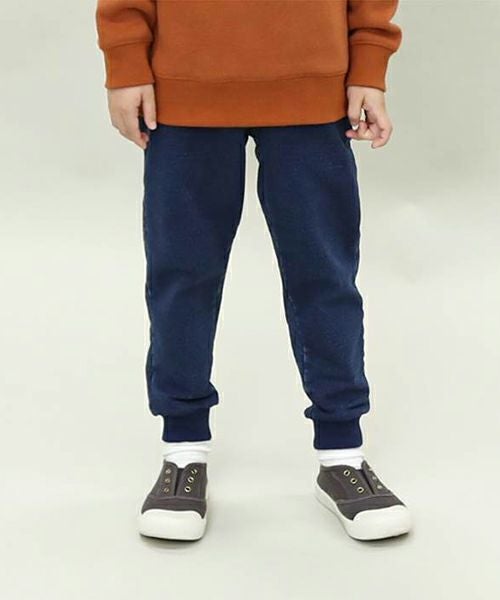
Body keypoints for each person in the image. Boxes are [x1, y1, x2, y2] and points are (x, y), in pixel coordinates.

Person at [96, 0, 411, 542]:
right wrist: (125, 64)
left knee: (324, 276)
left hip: (313, 90)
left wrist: (368, 65)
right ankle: (183, 449)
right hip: (184, 90)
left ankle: (342, 452)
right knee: (182, 275)